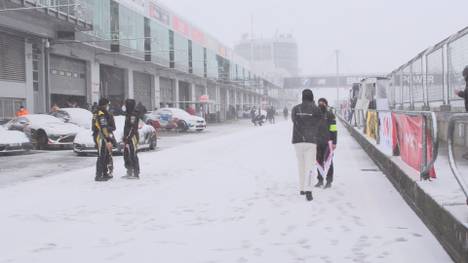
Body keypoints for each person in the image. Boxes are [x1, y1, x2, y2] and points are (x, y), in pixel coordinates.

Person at [291, 89, 321, 201]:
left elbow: (294, 121)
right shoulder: (316, 109)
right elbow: (319, 123)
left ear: (302, 97)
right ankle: (308, 190)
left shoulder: (295, 109)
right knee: (310, 167)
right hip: (311, 141)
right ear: (312, 96)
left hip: (297, 140)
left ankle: (302, 188)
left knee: (301, 165)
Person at [315, 98, 337, 189]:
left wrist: (334, 142)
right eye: (319, 102)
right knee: (318, 161)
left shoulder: (330, 115)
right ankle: (320, 180)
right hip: (317, 142)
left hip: (328, 142)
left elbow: (334, 130)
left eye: (322, 103)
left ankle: (329, 181)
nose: (321, 104)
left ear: (326, 104)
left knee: (328, 161)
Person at [92, 98, 116, 182]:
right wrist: (108, 139)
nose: (107, 106)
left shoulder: (97, 112)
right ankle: (99, 175)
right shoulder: (101, 114)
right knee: (101, 156)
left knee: (105, 156)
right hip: (101, 137)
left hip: (99, 136)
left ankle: (105, 173)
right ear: (104, 105)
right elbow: (104, 128)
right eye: (107, 105)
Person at [122, 99, 140, 179]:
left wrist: (128, 137)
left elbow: (133, 128)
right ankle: (129, 171)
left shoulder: (133, 114)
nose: (125, 106)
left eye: (126, 105)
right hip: (127, 137)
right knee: (126, 155)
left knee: (133, 154)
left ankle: (136, 173)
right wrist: (124, 136)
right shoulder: (128, 114)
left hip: (132, 137)